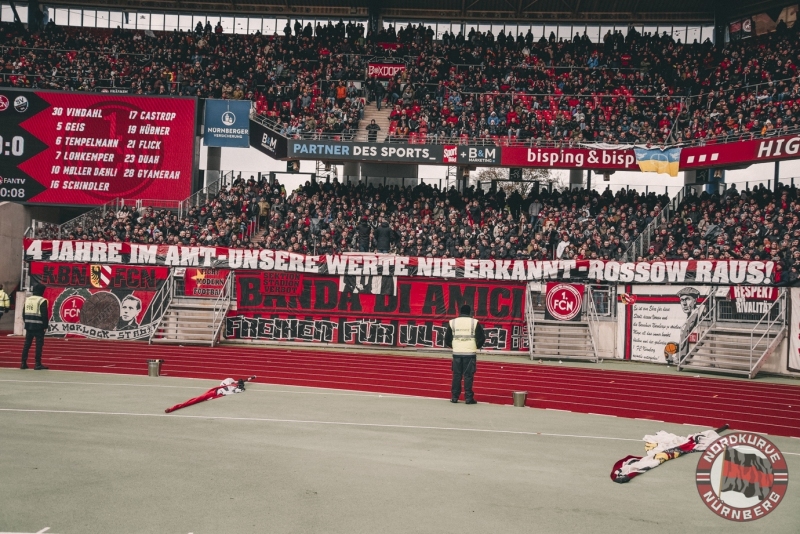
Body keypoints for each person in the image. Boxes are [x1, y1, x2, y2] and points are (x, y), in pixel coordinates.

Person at [445, 304, 485, 404]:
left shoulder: (453, 322)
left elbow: (447, 339)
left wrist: (455, 346)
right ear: (469, 312)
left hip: (457, 352)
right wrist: (476, 346)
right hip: (470, 353)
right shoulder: (474, 322)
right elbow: (481, 338)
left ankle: (454, 397)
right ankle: (468, 398)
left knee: (456, 375)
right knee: (468, 376)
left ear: (460, 312)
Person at [21, 284, 49, 370]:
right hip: (39, 326)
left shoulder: (28, 299)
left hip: (29, 325)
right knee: (39, 345)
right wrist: (45, 326)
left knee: (27, 345)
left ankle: (23, 363)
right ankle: (37, 364)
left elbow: (23, 313)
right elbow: (44, 315)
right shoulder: (42, 300)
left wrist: (26, 322)